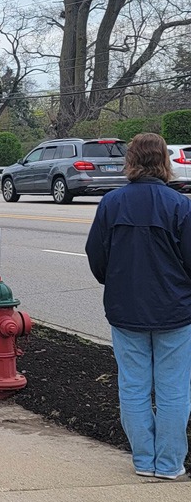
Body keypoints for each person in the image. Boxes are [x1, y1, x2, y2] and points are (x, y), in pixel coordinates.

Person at [85, 133, 191, 480]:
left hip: (125, 309)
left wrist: (115, 283)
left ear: (130, 160)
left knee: (133, 386)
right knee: (174, 389)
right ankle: (169, 463)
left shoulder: (111, 203)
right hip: (175, 311)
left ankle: (144, 460)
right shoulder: (180, 205)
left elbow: (96, 255)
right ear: (164, 161)